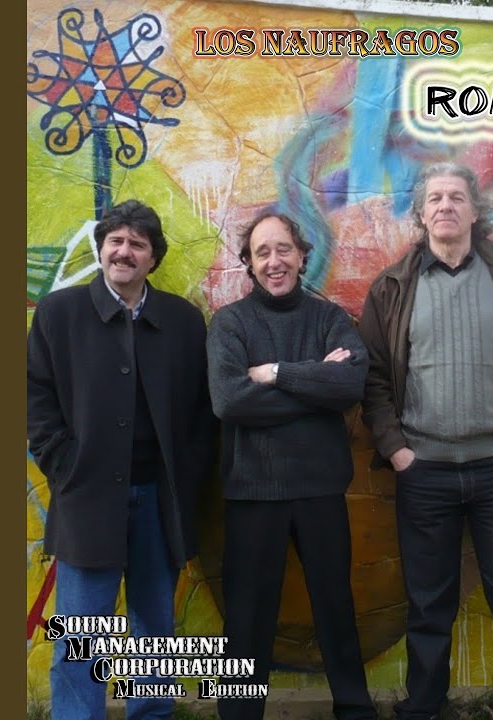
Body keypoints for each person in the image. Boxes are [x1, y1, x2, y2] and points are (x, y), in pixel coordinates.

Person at [359, 162, 493, 720]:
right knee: (428, 599)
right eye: (435, 199)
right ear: (421, 215)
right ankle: (424, 704)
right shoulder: (393, 287)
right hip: (423, 470)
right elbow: (372, 378)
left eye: (456, 197)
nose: (445, 206)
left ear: (474, 211)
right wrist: (398, 450)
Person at [27, 199, 215, 720]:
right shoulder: (59, 314)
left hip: (159, 500)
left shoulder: (183, 321)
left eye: (137, 243)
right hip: (87, 497)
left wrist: (187, 477)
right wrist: (64, 465)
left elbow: (202, 411)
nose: (124, 252)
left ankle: (151, 714)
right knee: (83, 635)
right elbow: (35, 398)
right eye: (115, 241)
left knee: (154, 630)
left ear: (153, 257)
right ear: (101, 248)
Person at [206, 212, 377, 720]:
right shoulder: (230, 324)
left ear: (302, 256)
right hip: (252, 493)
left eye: (283, 249)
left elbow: (349, 385)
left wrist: (275, 373)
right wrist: (314, 383)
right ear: (248, 263)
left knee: (335, 607)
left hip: (320, 489)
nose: (274, 261)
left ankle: (355, 710)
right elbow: (230, 401)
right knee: (247, 619)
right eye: (262, 252)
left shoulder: (329, 320)